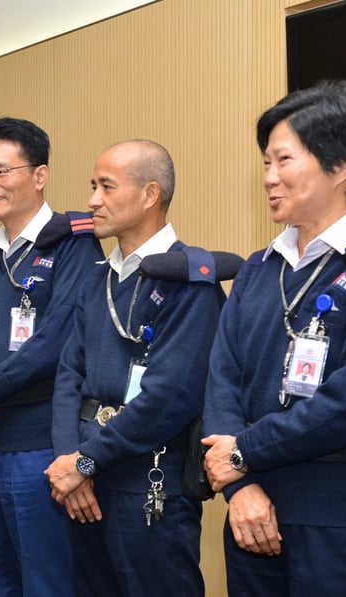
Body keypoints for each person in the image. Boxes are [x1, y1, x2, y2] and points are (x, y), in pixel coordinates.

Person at [202, 80, 346, 596]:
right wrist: (241, 486)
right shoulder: (260, 268)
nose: (269, 178)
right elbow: (222, 377)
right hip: (252, 515)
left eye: (283, 160)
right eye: (265, 163)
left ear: (343, 164)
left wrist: (242, 454)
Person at [45, 140, 224, 596]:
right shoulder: (99, 276)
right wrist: (71, 461)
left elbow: (170, 397)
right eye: (92, 186)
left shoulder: (190, 283)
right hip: (84, 479)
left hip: (148, 480)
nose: (91, 201)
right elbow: (69, 376)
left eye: (106, 187)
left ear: (149, 194)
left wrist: (86, 461)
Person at [0, 117, 104, 595]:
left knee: (44, 577)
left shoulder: (73, 244)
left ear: (39, 175)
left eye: (1, 172)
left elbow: (57, 340)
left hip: (35, 447)